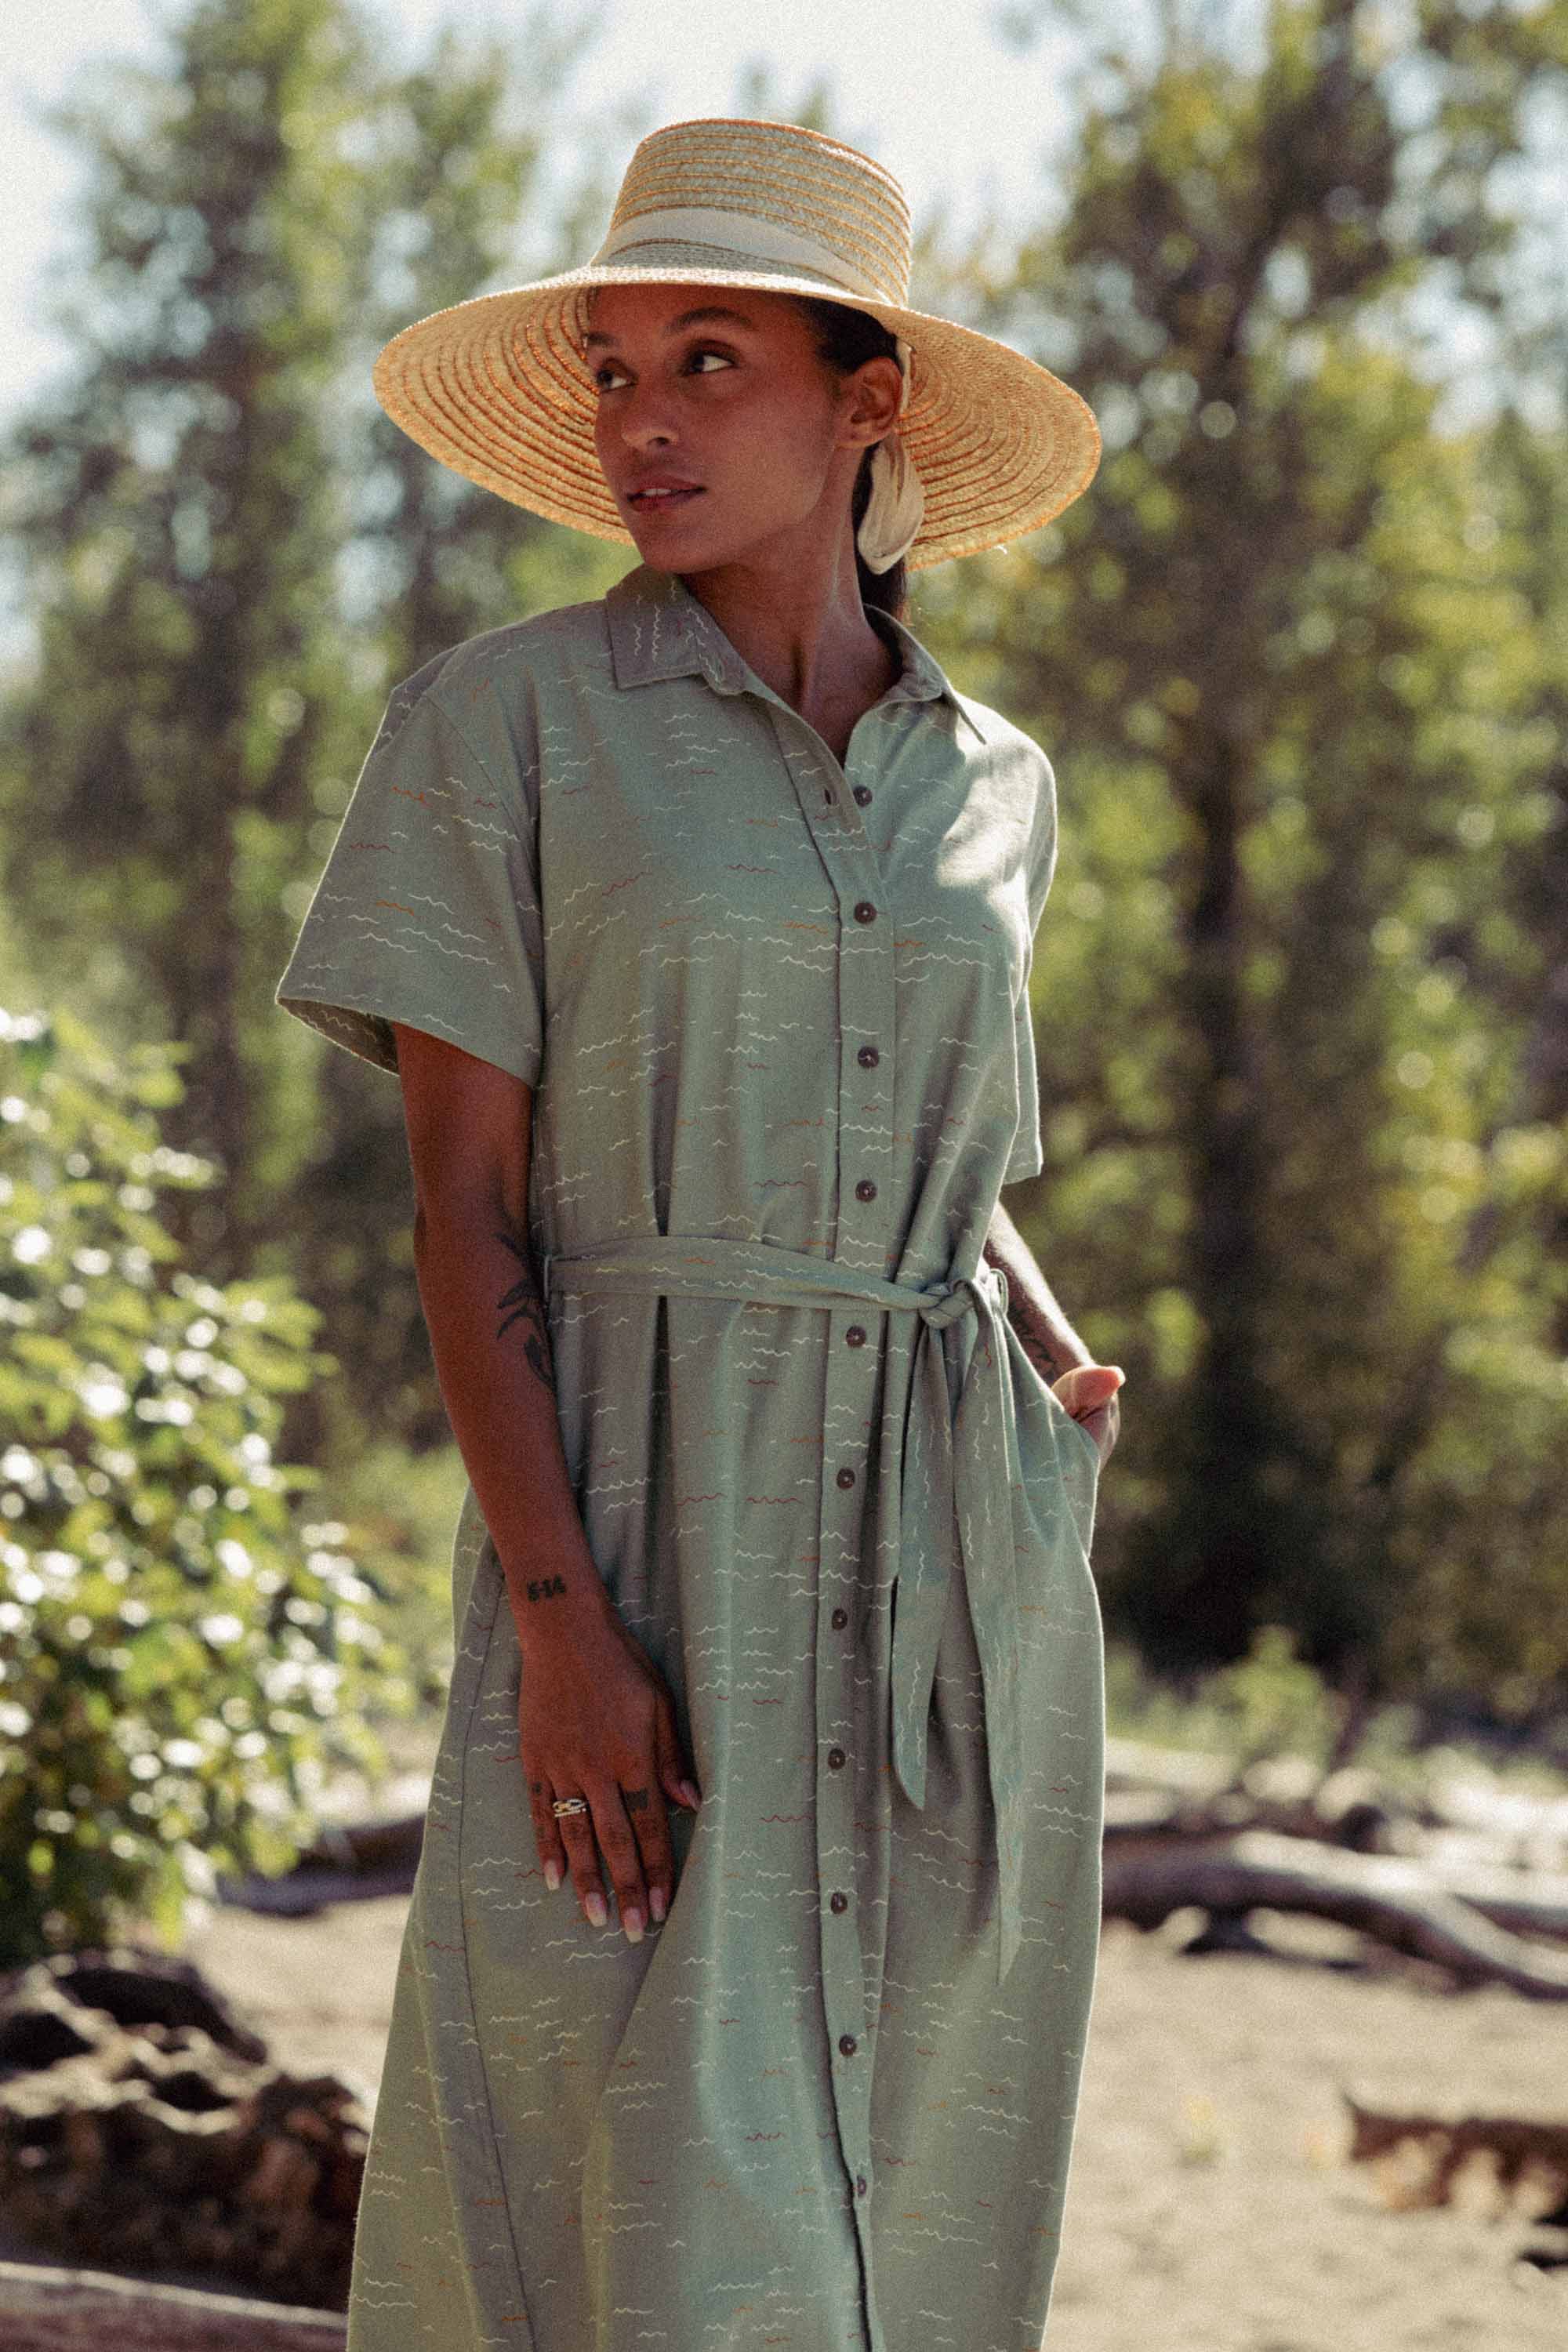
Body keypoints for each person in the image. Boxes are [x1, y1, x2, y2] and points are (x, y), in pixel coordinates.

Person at [275, 113, 1125, 2352]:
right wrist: (564, 1622)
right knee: (621, 2168)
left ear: (871, 404)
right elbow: (467, 1212)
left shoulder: (1000, 784)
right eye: (615, 369)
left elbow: (951, 1156)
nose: (639, 423)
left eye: (708, 361)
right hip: (645, 1525)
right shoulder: (506, 724)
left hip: (952, 1553)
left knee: (922, 2162)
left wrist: (1047, 1360)